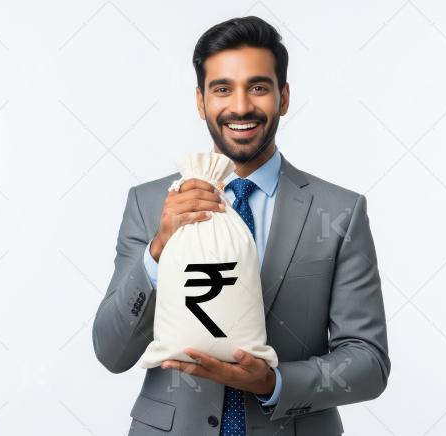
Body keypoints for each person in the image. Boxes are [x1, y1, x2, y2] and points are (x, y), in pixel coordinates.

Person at [92, 15, 390, 435]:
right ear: (201, 102)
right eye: (222, 89)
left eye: (259, 87)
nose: (241, 106)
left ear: (284, 98)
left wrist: (275, 382)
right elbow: (111, 350)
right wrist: (159, 250)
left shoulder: (338, 211)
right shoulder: (149, 204)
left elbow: (368, 362)